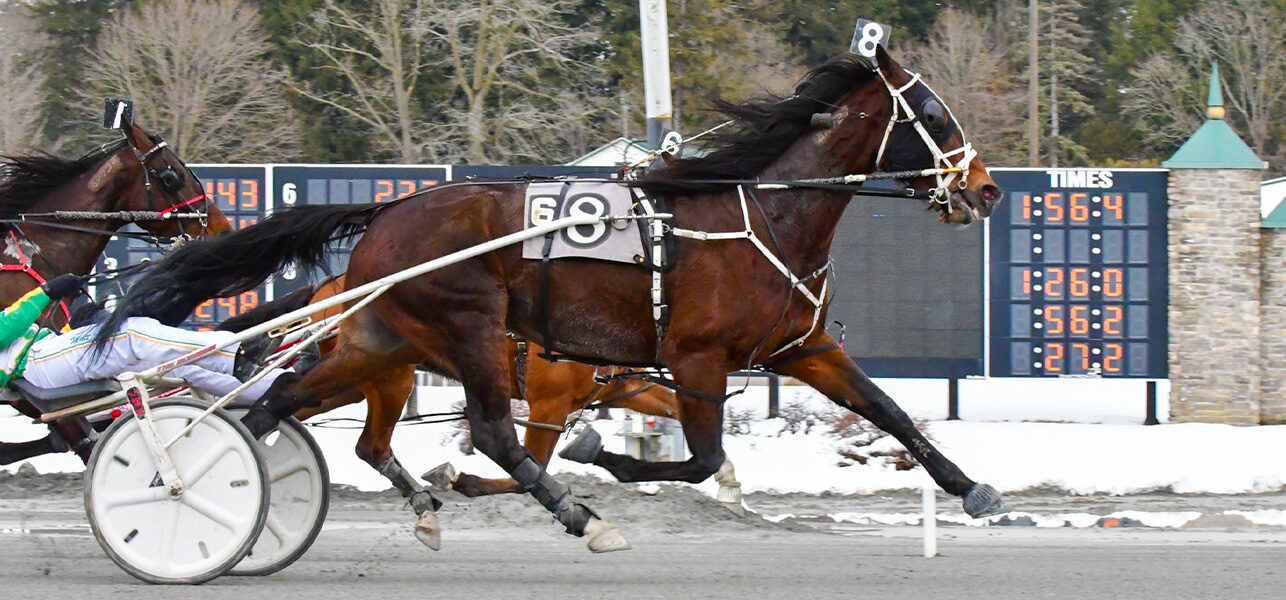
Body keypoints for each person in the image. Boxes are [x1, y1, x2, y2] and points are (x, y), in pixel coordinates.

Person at [0, 274, 287, 403]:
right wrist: (46, 291)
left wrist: (74, 328)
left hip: (44, 357)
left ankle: (276, 387)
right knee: (132, 333)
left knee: (174, 364)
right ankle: (235, 355)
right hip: (35, 365)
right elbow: (5, 330)